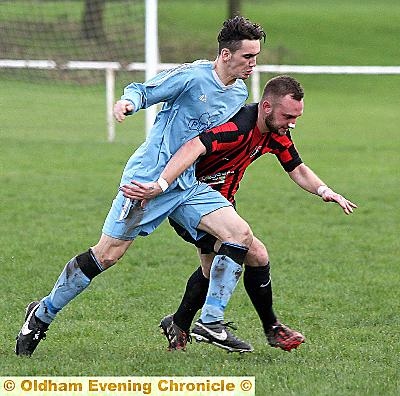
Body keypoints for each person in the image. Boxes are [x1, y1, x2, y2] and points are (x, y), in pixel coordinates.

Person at [15, 15, 266, 357]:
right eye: (247, 57)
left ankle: (210, 321)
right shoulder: (193, 76)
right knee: (107, 255)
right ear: (225, 54)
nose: (253, 64)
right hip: (146, 181)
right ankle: (41, 315)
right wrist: (128, 103)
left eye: (256, 57)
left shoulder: (237, 92)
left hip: (186, 185)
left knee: (239, 235)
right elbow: (145, 90)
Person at [120, 76, 357, 353]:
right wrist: (161, 184)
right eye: (288, 115)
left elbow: (297, 167)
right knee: (254, 252)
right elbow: (193, 147)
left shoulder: (276, 132)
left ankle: (179, 324)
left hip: (222, 206)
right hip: (191, 204)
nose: (291, 123)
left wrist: (324, 190)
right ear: (266, 106)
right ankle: (264, 328)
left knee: (211, 271)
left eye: (296, 117)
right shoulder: (234, 127)